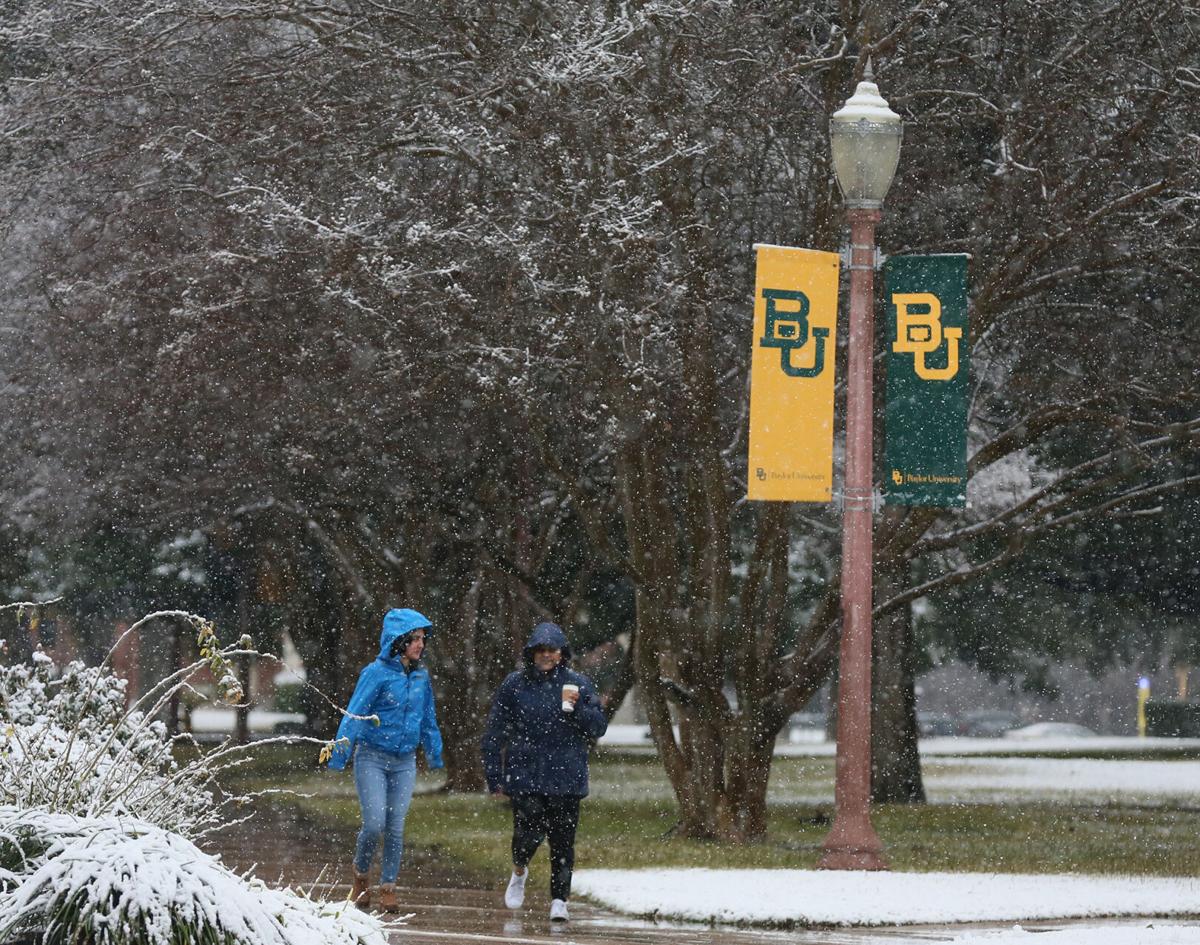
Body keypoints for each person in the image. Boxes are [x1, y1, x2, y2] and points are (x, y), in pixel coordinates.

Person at [481, 621, 607, 923]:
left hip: (567, 776)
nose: (547, 656)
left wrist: (578, 709)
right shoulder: (515, 684)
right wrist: (493, 775)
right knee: (527, 834)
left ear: (562, 653)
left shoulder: (578, 684)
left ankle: (560, 900)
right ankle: (519, 870)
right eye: (541, 650)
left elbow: (598, 727)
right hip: (526, 774)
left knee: (563, 842)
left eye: (553, 650)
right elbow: (495, 730)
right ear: (532, 653)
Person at [327, 608, 443, 913]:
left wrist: (435, 753)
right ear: (398, 641)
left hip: (405, 761)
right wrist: (340, 754)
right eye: (414, 639)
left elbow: (428, 718)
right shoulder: (375, 673)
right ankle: (361, 877)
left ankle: (389, 886)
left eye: (422, 639)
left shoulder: (421, 677)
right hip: (372, 758)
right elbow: (354, 713)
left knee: (396, 826)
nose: (421, 644)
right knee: (375, 823)